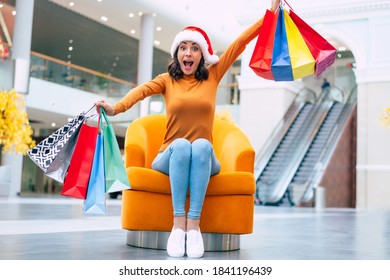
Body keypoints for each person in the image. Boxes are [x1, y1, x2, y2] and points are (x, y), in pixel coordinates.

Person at [96, 0, 281, 258]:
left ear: (202, 55)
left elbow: (240, 43)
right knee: (182, 145)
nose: (189, 53)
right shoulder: (166, 80)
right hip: (169, 156)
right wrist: (116, 108)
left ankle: (193, 227)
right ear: (177, 54)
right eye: (184, 48)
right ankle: (178, 225)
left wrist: (269, 16)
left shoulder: (213, 75)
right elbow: (140, 92)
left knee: (202, 145)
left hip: (205, 157)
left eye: (195, 48)